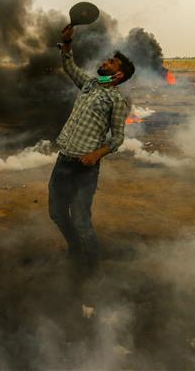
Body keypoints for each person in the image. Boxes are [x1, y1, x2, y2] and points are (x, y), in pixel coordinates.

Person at [50, 23, 134, 273]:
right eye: (108, 60)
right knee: (56, 213)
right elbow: (69, 67)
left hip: (84, 169)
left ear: (118, 75)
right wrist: (67, 42)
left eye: (111, 63)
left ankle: (93, 269)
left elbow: (118, 137)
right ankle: (75, 248)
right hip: (63, 161)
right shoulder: (90, 85)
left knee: (81, 220)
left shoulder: (116, 100)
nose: (105, 62)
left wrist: (97, 154)